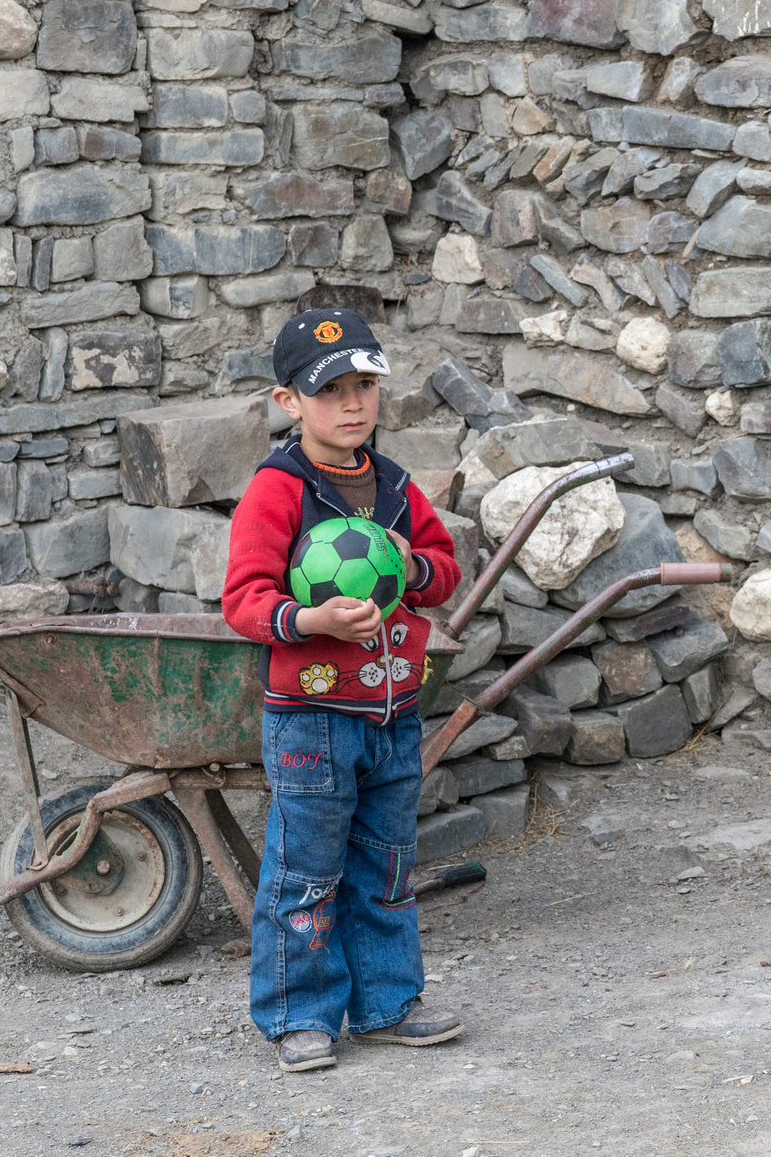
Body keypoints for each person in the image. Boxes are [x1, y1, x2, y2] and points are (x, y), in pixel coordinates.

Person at [222, 307, 466, 1073]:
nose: (354, 404)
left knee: (386, 870)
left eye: (365, 384)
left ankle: (390, 1005)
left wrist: (413, 565)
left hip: (393, 712)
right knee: (306, 875)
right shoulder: (278, 491)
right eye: (330, 391)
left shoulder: (395, 486)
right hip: (313, 721)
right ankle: (301, 1017)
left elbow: (444, 568)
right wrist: (313, 618)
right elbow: (243, 601)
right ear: (288, 401)